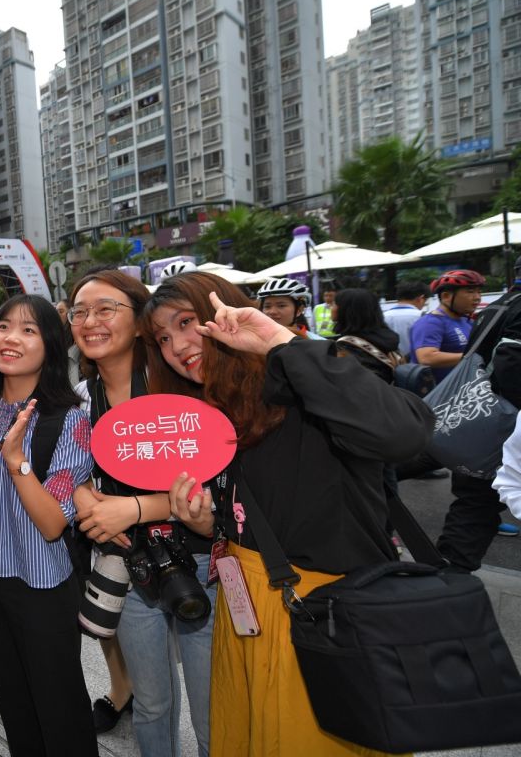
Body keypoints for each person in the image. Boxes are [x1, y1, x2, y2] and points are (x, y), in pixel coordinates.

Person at [140, 272, 432, 756]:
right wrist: (207, 523)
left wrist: (280, 343)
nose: (177, 346)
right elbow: (258, 511)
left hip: (323, 615)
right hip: (246, 616)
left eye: (186, 323)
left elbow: (405, 433)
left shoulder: (306, 382)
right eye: (163, 339)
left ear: (225, 313)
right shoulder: (210, 416)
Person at [70, 268, 216, 754]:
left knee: (211, 707)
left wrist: (133, 508)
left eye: (105, 309)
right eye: (80, 312)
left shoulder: (177, 383)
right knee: (152, 704)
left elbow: (217, 481)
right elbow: (69, 471)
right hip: (133, 567)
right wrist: (82, 495)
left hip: (200, 561)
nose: (90, 321)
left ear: (139, 322)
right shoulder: (82, 399)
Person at [0, 294, 97, 756]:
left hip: (41, 588)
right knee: (13, 703)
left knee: (61, 710)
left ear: (50, 346)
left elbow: (52, 524)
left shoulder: (69, 421)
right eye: (4, 326)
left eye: (29, 330)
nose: (11, 338)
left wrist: (16, 461)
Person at [434, 260, 521, 556]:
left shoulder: (496, 306)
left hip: (474, 410)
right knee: (479, 499)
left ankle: (451, 566)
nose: (475, 295)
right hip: (499, 420)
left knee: (473, 495)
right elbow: (511, 363)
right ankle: (454, 568)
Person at [408, 269, 484, 384]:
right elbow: (427, 358)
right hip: (439, 393)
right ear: (446, 296)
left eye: (479, 292)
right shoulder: (430, 323)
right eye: (470, 292)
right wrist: (474, 356)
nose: (477, 297)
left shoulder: (467, 321)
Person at [331, 288, 404, 385]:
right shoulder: (388, 339)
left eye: (334, 304)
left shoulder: (347, 345)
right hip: (391, 392)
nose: (331, 308)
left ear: (346, 310)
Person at [254, 279, 326, 340]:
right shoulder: (255, 341)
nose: (272, 312)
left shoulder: (319, 343)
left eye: (281, 306)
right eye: (267, 306)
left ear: (299, 310)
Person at [382, 282, 429, 357]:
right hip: (416, 362)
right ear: (421, 298)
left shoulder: (383, 316)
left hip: (391, 362)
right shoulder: (424, 317)